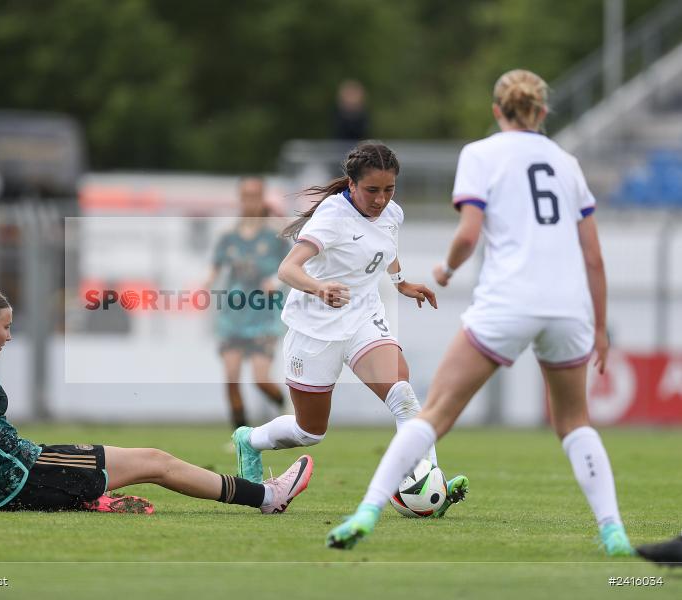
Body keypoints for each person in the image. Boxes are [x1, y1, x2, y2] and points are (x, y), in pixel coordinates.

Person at [326, 70, 634, 557]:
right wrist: (598, 327)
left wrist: (446, 269)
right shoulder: (567, 163)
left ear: (497, 110)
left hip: (509, 301)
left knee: (433, 414)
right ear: (543, 112)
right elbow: (593, 256)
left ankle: (367, 510)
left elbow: (469, 235)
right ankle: (613, 530)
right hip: (568, 306)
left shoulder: (481, 154)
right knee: (575, 422)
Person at [0, 288, 313, 514]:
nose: (9, 337)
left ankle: (87, 498)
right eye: (6, 328)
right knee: (156, 462)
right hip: (18, 475)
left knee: (145, 462)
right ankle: (267, 497)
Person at [231, 141, 468, 518]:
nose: (381, 199)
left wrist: (401, 282)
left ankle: (427, 479)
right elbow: (288, 270)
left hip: (362, 319)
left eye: (389, 189)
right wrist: (319, 288)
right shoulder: (332, 216)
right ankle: (250, 440)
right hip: (316, 328)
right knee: (311, 431)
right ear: (352, 185)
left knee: (403, 396)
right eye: (372, 190)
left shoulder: (392, 213)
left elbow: (385, 248)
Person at [203, 177, 290, 428]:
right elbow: (215, 267)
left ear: (262, 198)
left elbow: (291, 266)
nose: (250, 201)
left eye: (255, 196)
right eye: (246, 196)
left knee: (260, 379)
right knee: (231, 378)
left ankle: (285, 406)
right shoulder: (229, 237)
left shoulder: (275, 236)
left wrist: (275, 281)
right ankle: (239, 435)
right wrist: (204, 283)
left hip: (263, 315)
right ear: (240, 199)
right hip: (234, 315)